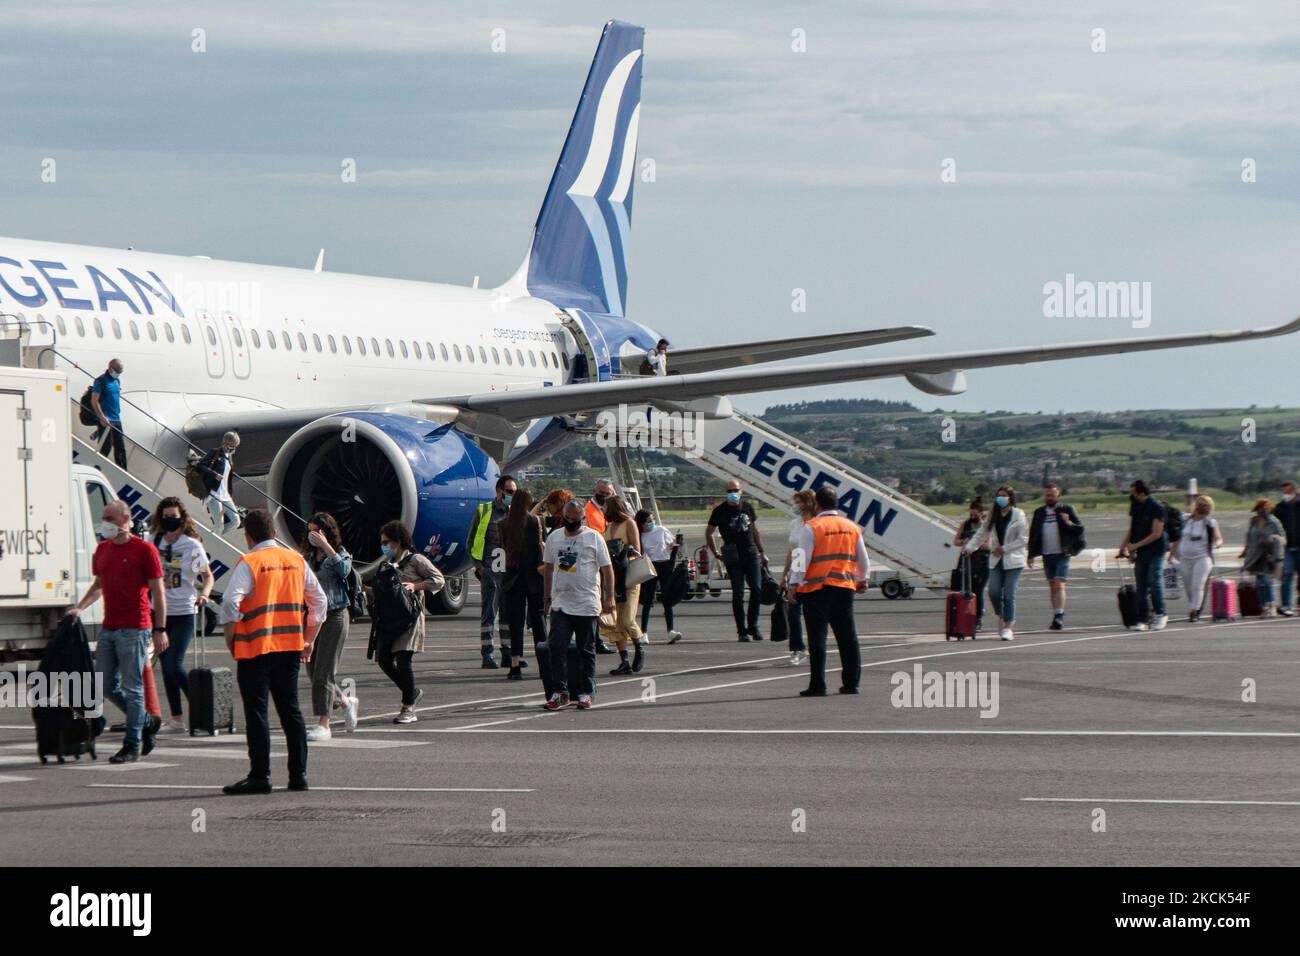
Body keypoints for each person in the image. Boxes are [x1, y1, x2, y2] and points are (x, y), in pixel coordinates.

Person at [220, 509, 327, 794]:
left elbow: (230, 602)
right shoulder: (296, 560)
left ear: (248, 536)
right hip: (290, 647)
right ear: (275, 533)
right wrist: (310, 638)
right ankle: (298, 775)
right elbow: (320, 602)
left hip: (256, 648)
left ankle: (260, 775)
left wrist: (231, 638)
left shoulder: (251, 562)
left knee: (258, 713)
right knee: (290, 710)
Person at [66, 499, 167, 763]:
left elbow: (158, 591)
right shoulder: (102, 550)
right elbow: (99, 584)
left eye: (110, 518)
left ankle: (132, 743)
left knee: (133, 688)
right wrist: (79, 607)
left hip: (135, 627)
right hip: (110, 627)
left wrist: (160, 629)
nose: (106, 523)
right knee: (106, 685)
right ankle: (146, 721)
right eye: (104, 517)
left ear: (126, 519)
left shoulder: (144, 550)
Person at [787, 485, 869, 696]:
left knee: (817, 639)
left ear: (818, 505)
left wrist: (793, 584)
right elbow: (863, 558)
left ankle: (818, 684)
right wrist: (863, 579)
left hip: (817, 589)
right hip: (844, 587)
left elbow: (801, 558)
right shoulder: (851, 526)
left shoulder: (812, 526)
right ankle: (851, 683)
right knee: (848, 637)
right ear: (837, 503)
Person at [542, 499, 614, 710]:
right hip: (561, 603)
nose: (570, 521)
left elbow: (607, 569)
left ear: (583, 518)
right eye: (567, 518)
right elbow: (548, 568)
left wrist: (609, 598)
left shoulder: (593, 537)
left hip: (586, 603)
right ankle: (560, 691)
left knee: (586, 650)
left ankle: (586, 691)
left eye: (575, 518)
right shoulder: (554, 537)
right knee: (556, 647)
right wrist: (547, 598)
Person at [370, 520, 444, 723]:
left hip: (409, 619)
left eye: (387, 542)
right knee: (384, 660)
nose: (384, 546)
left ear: (399, 541)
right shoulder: (386, 564)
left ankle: (408, 707)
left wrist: (416, 585)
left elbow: (438, 579)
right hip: (389, 620)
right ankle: (411, 690)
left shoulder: (416, 560)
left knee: (403, 661)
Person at [149, 497, 212, 734]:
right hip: (159, 612)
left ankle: (201, 708)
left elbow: (207, 576)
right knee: (165, 666)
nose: (170, 522)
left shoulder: (191, 546)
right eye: (166, 517)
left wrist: (204, 594)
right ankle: (177, 718)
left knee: (174, 663)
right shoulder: (153, 542)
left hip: (184, 611)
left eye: (174, 517)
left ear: (182, 518)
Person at [302, 512, 359, 740]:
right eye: (309, 531)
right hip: (312, 616)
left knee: (324, 671)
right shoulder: (306, 556)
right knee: (312, 669)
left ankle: (324, 723)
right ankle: (345, 702)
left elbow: (344, 571)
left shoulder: (339, 554)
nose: (311, 536)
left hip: (335, 615)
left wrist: (326, 547)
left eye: (316, 531)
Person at [705, 480, 769, 642]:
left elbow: (755, 530)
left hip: (750, 551)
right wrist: (715, 552)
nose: (732, 493)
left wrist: (762, 552)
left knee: (756, 588)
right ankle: (742, 630)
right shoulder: (719, 511)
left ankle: (753, 626)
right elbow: (709, 532)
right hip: (733, 555)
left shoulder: (747, 507)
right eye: (729, 490)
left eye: (735, 490)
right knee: (738, 592)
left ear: (741, 491)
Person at [964, 485, 1027, 641]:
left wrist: (1004, 548)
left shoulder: (1019, 515)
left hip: (1014, 560)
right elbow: (982, 533)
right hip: (996, 560)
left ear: (1010, 498)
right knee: (993, 592)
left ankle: (1008, 626)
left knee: (1008, 594)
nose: (1001, 498)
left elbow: (1023, 539)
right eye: (999, 495)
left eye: (1004, 495)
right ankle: (1002, 615)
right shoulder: (993, 515)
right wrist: (970, 547)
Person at [468, 474, 517, 669]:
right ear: (499, 491)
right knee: (489, 613)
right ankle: (487, 654)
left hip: (510, 572)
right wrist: (479, 566)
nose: (512, 496)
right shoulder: (485, 510)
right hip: (491, 570)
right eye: (510, 492)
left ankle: (507, 652)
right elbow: (471, 540)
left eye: (515, 492)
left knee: (508, 615)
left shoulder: (516, 513)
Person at [501, 489, 548, 682]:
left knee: (515, 623)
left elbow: (505, 548)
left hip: (512, 577)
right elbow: (541, 546)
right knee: (538, 622)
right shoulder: (535, 522)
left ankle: (514, 665)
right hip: (533, 576)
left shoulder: (503, 524)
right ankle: (544, 664)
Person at [1027, 482, 1084, 630]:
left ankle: (1059, 616)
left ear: (1058, 495)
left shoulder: (1067, 509)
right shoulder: (1039, 512)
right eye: (1047, 495)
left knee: (1059, 583)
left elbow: (1080, 529)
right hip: (1047, 554)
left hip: (1063, 553)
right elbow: (1033, 534)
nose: (1050, 497)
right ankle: (1056, 614)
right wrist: (1031, 554)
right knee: (1052, 585)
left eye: (1052, 494)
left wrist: (1068, 522)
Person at [602, 496, 646, 674]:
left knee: (628, 618)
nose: (603, 510)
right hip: (613, 578)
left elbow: (637, 549)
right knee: (616, 622)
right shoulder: (609, 527)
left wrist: (621, 552)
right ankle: (624, 660)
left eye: (605, 507)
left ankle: (639, 647)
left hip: (628, 576)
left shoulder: (629, 523)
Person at [1118, 479, 1168, 632]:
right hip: (1142, 551)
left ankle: (1161, 614)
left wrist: (1135, 546)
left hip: (1156, 550)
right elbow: (1132, 528)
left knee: (1154, 581)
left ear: (1141, 493)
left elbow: (1156, 534)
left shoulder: (1157, 507)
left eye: (1132, 493)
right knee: (1141, 586)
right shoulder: (1136, 506)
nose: (1130, 496)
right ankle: (1143, 619)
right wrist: (1125, 546)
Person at [780, 490, 817, 665]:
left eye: (798, 502)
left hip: (813, 572)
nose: (795, 506)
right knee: (793, 611)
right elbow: (791, 550)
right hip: (797, 569)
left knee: (813, 613)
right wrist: (785, 574)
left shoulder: (817, 523)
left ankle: (816, 645)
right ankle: (797, 648)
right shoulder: (795, 524)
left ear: (808, 503)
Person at [1171, 495, 1222, 621]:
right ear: (1196, 506)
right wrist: (1172, 553)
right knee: (1188, 586)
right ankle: (1193, 606)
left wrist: (1218, 543)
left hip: (1203, 557)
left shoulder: (1211, 523)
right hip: (1185, 558)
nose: (1203, 508)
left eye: (1206, 506)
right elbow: (1178, 537)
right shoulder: (1186, 520)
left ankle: (1194, 611)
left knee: (1197, 585)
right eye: (1201, 504)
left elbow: (1218, 538)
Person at [635, 509, 682, 645]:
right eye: (648, 521)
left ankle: (670, 631)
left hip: (665, 565)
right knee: (648, 600)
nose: (652, 523)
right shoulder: (640, 536)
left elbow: (671, 544)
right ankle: (644, 632)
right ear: (641, 524)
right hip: (650, 566)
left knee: (667, 598)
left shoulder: (661, 530)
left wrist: (674, 546)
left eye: (652, 520)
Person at [1241, 498, 1286, 617]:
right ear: (1257, 509)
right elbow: (1249, 537)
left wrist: (1271, 540)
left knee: (1266, 580)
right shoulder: (1254, 521)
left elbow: (1282, 538)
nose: (1263, 510)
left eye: (1266, 508)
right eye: (1261, 508)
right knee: (1260, 581)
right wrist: (1245, 551)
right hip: (1255, 555)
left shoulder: (1274, 522)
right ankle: (1263, 606)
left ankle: (1271, 605)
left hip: (1269, 555)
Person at [953, 498, 990, 633]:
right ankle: (967, 617)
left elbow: (989, 545)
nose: (973, 517)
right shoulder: (965, 524)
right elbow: (956, 541)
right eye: (971, 515)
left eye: (975, 515)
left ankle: (979, 617)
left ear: (981, 513)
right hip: (968, 562)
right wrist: (964, 541)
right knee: (967, 590)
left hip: (982, 562)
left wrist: (976, 544)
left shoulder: (985, 526)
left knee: (978, 590)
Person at [199, 431, 241, 534]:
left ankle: (213, 538)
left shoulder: (229, 458)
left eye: (235, 446)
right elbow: (200, 466)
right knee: (219, 525)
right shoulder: (215, 452)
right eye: (232, 445)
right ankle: (213, 541)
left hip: (225, 495)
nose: (234, 448)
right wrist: (214, 474)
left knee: (236, 521)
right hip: (214, 493)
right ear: (226, 443)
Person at [89, 358, 128, 468]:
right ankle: (97, 470)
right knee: (106, 448)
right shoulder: (100, 381)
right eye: (117, 371)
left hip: (116, 419)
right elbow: (94, 400)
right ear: (111, 369)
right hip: (105, 420)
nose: (119, 374)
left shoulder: (117, 381)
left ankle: (123, 472)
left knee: (120, 448)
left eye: (121, 371)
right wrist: (101, 417)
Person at [1276, 481, 1299, 617]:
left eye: (1288, 491)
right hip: (1288, 547)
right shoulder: (1280, 507)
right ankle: (1286, 605)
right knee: (1287, 576)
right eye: (1284, 491)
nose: (1286, 494)